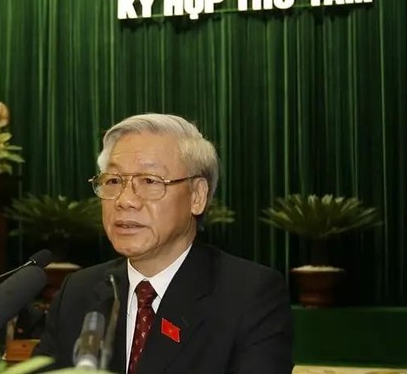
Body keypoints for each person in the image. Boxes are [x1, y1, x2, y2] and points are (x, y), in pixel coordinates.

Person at [32, 113, 293, 373]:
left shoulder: (248, 295)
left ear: (197, 196)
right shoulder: (77, 294)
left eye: (149, 181)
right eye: (113, 181)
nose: (125, 200)